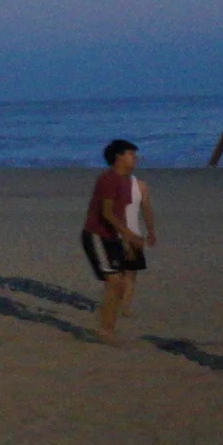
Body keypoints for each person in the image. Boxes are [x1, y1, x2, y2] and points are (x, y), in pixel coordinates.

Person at [83, 138, 155, 343]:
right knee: (114, 281)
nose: (136, 158)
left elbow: (121, 214)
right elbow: (107, 213)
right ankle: (106, 331)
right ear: (119, 157)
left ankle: (108, 327)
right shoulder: (108, 179)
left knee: (121, 283)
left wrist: (128, 239)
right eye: (131, 154)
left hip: (114, 236)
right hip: (96, 235)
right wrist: (128, 235)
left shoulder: (126, 181)